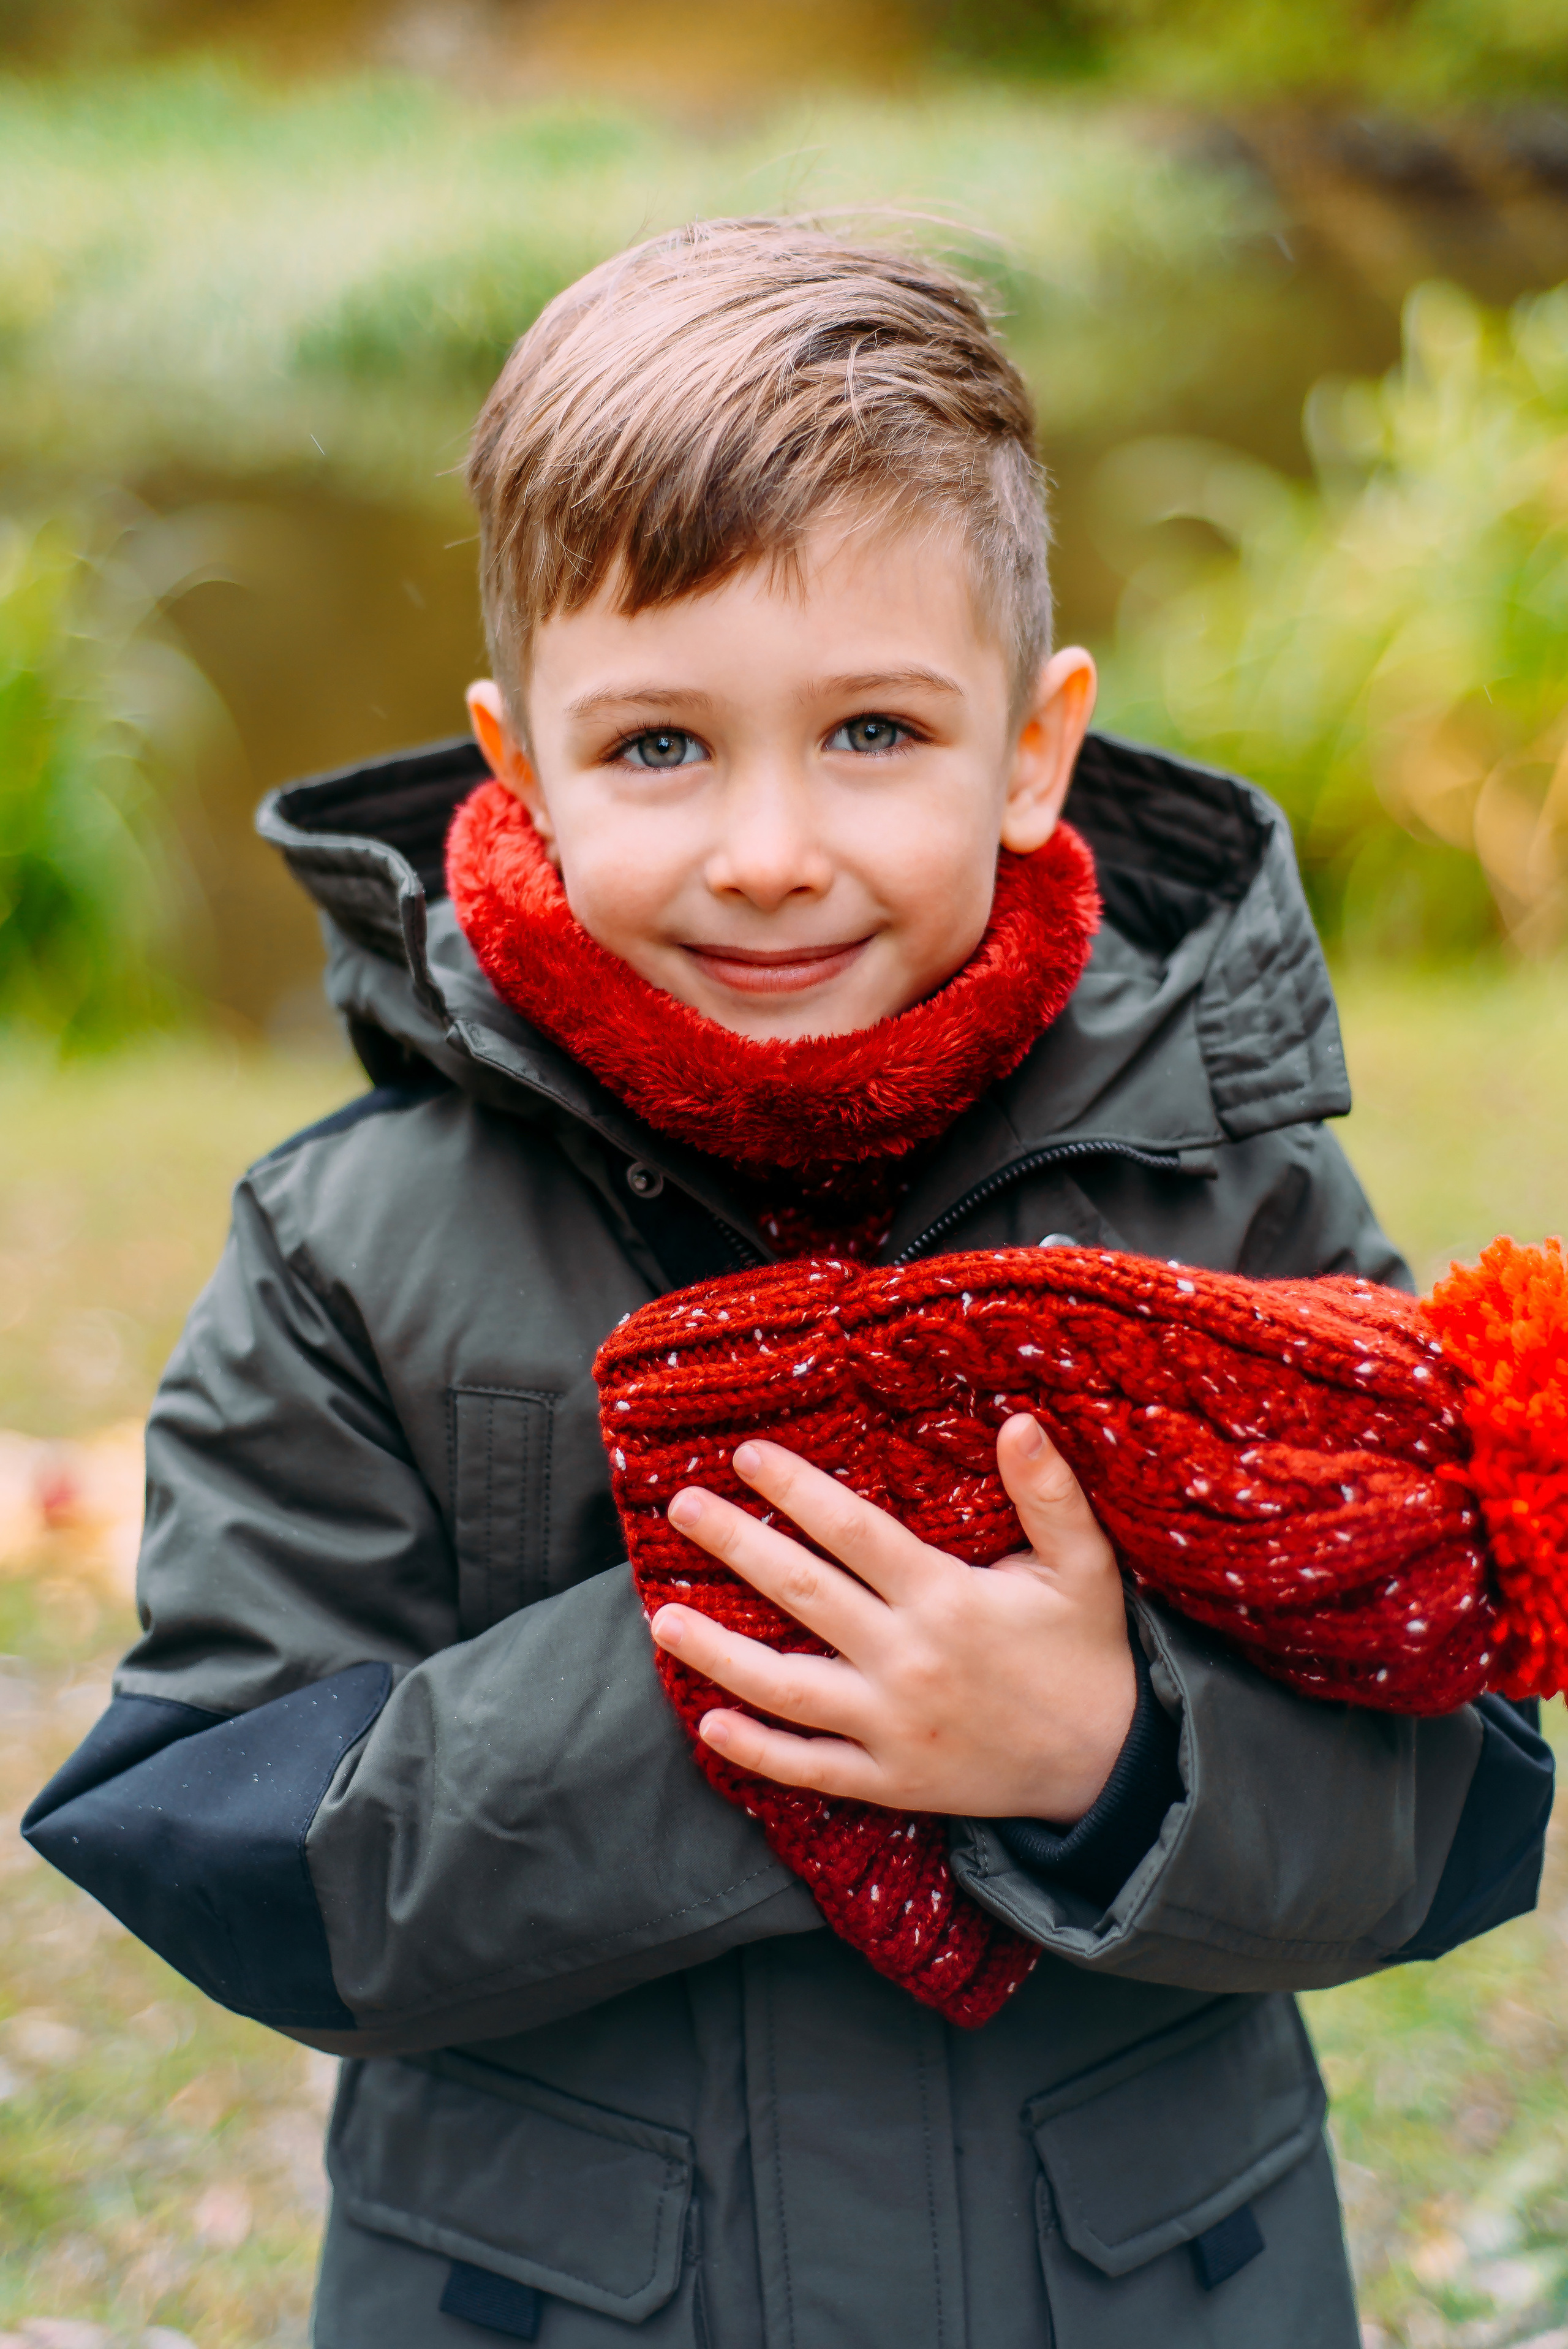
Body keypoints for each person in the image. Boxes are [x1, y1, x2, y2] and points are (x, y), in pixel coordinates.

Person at [23, 219, 1553, 2349]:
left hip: (1136, 2286)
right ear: (520, 756)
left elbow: (1468, 1791)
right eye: (659, 744)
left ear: (1033, 747)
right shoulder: (349, 1242)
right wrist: (763, 1685)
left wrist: (1106, 1748)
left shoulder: (1233, 1188)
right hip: (562, 2299)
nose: (766, 847)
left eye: (870, 731)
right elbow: (221, 1837)